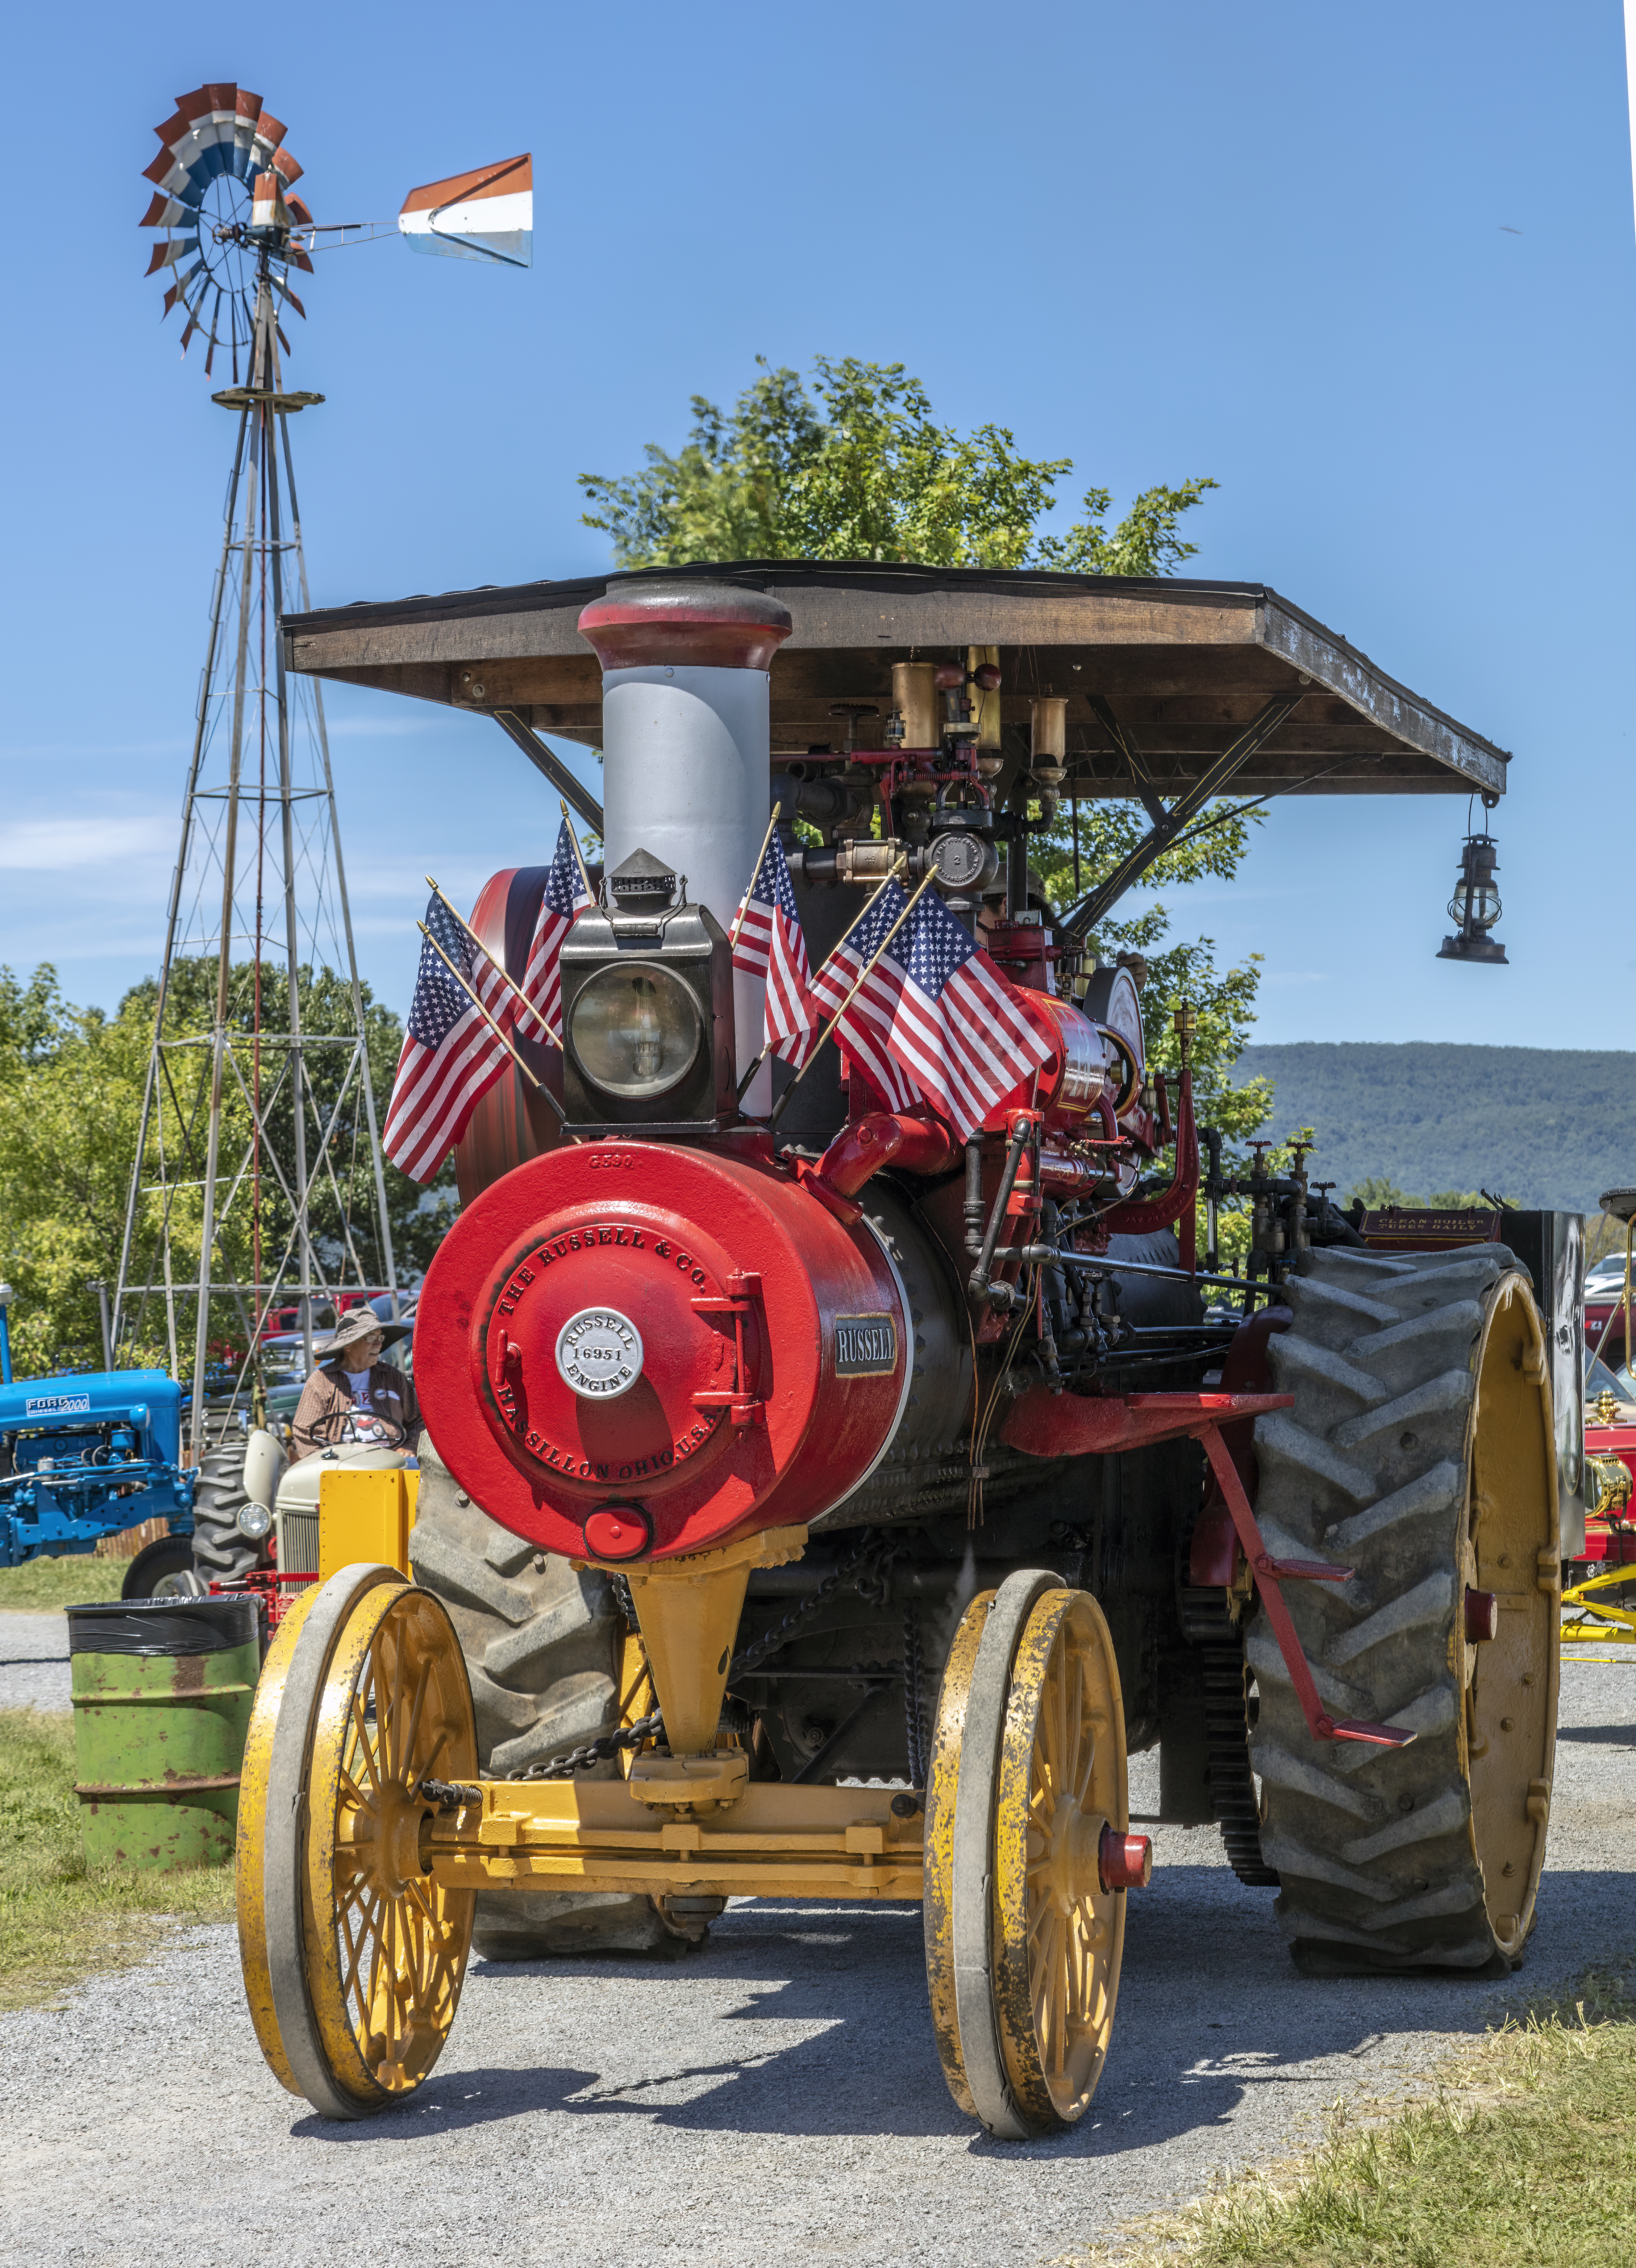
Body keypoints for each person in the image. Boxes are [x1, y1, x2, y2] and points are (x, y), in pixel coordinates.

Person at [290, 1307, 418, 1462]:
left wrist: (409, 1448)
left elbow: (418, 1421)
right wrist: (326, 1461)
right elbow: (306, 1431)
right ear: (348, 1345)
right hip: (342, 1466)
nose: (378, 1344)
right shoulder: (322, 1381)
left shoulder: (393, 1377)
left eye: (381, 1338)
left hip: (391, 1463)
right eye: (371, 1338)